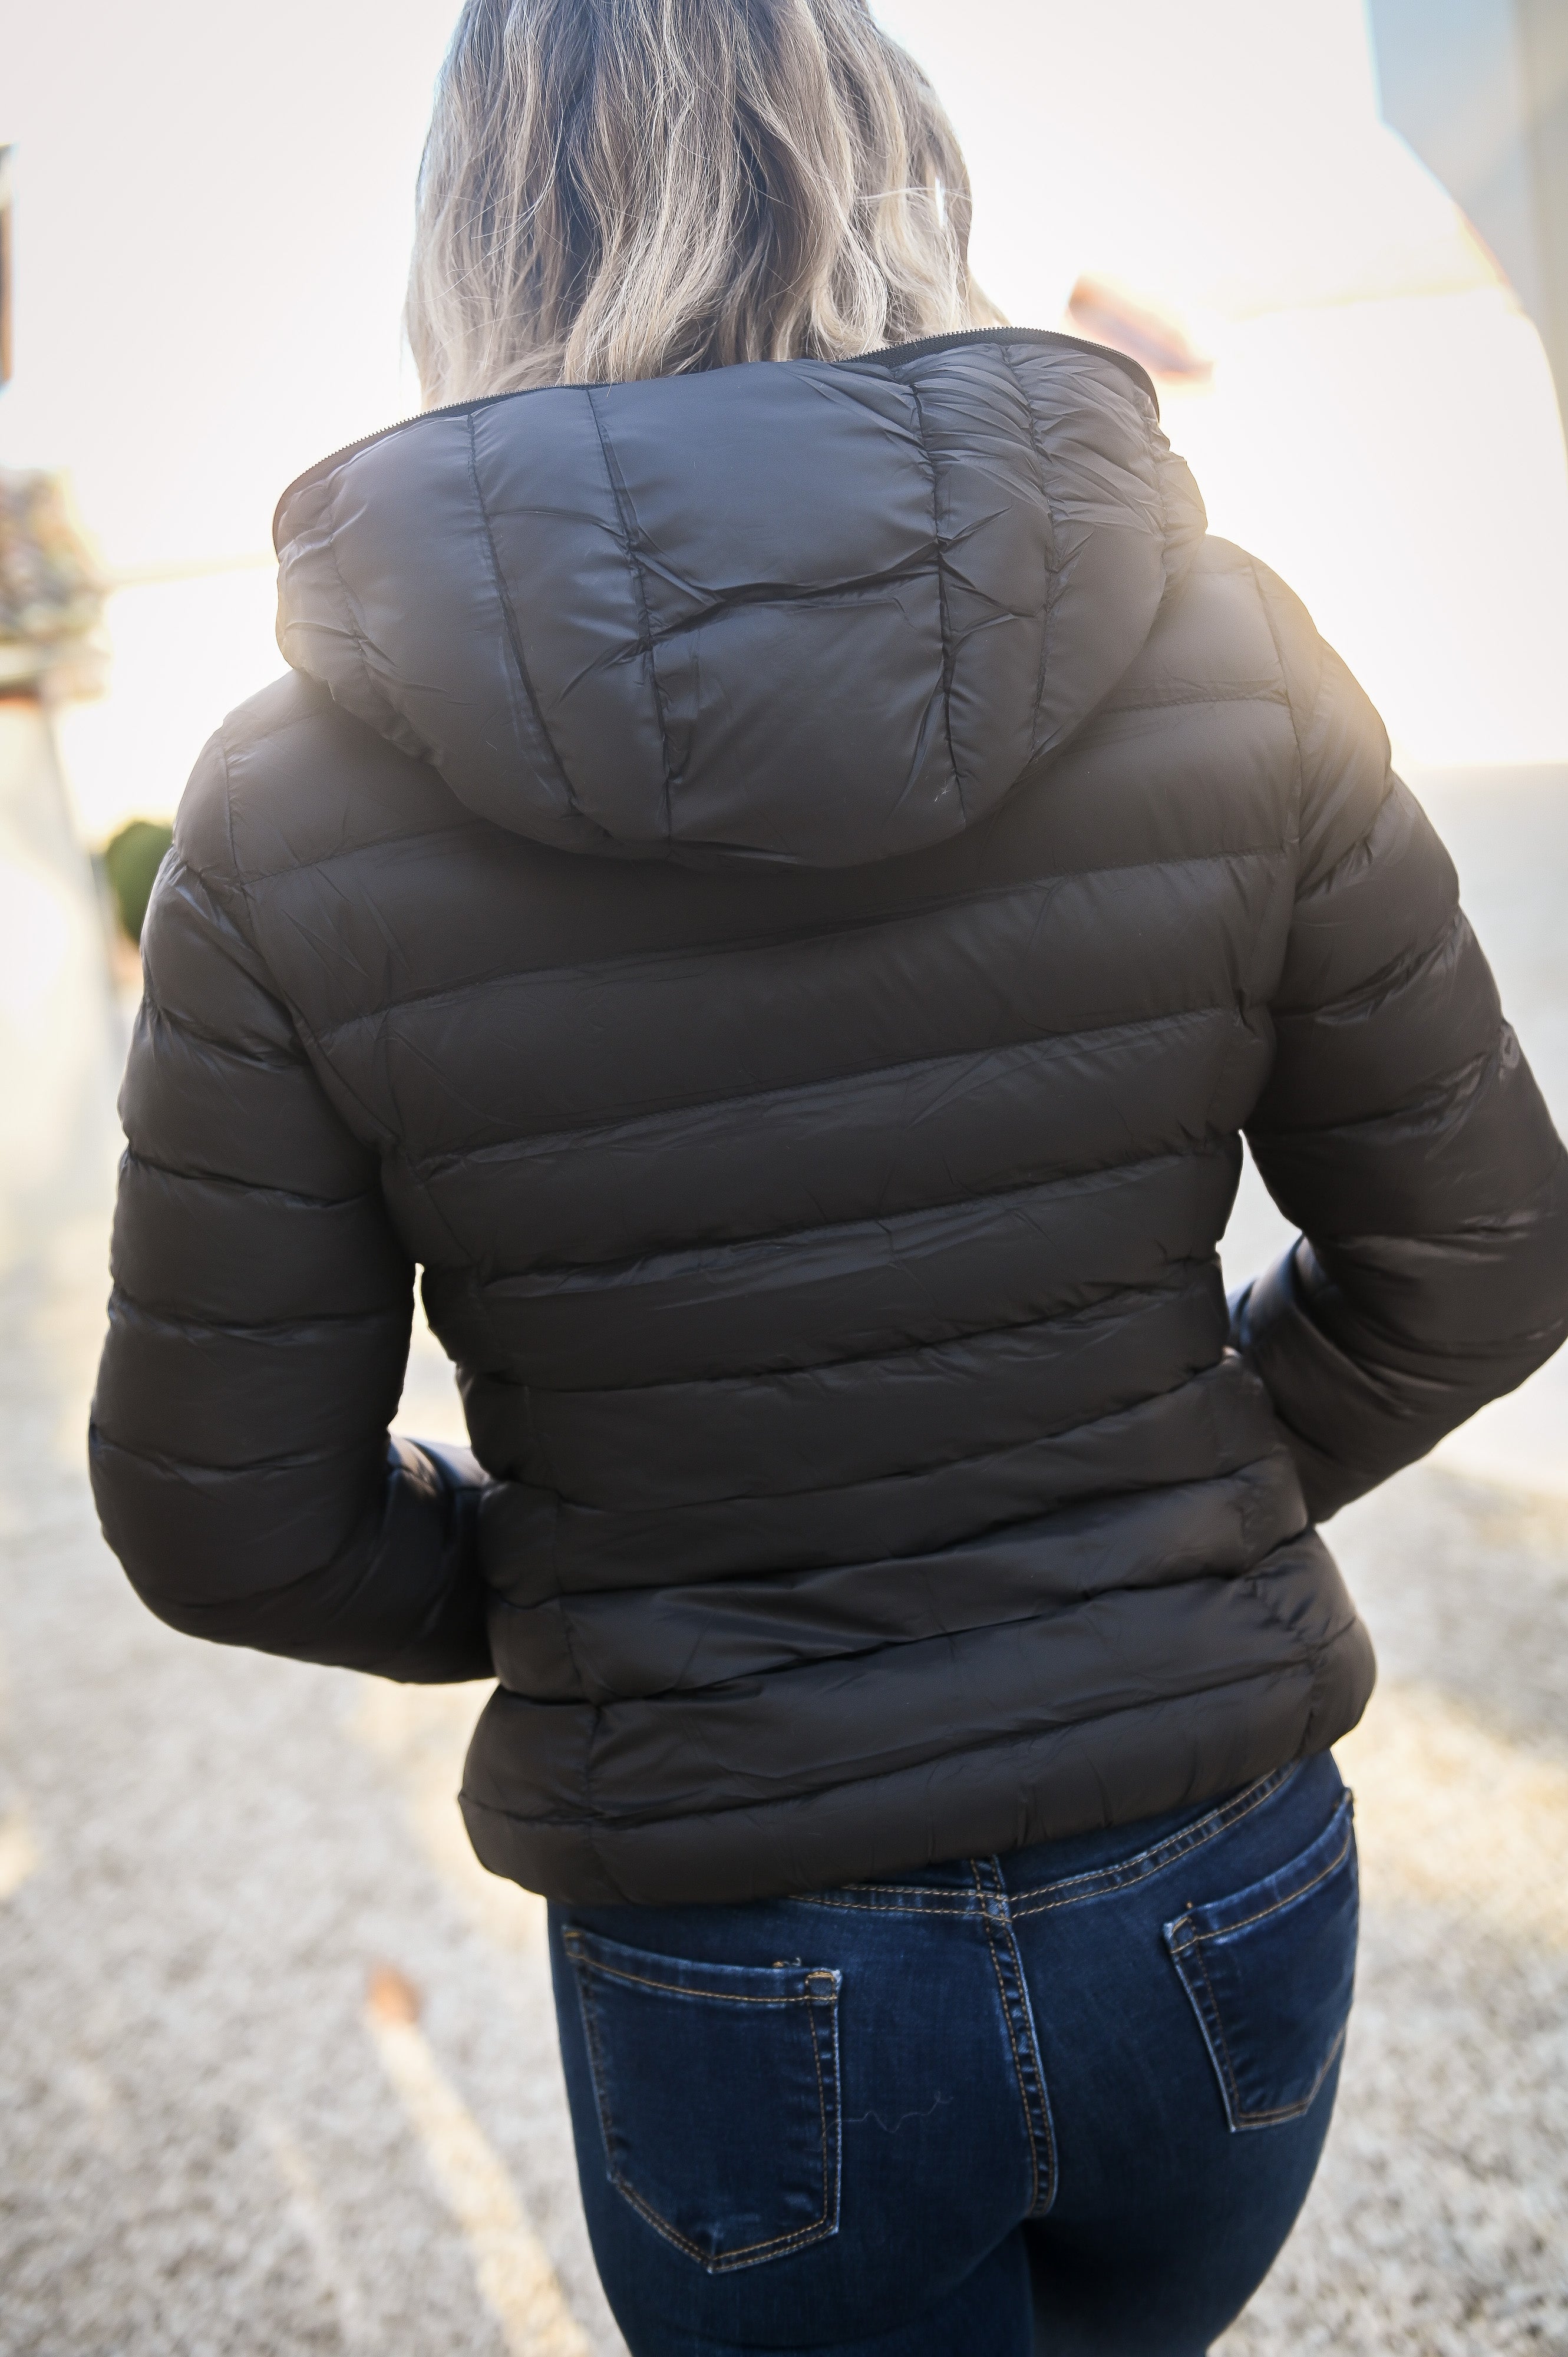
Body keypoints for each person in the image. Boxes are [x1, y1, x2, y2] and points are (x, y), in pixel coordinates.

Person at [90, 2, 1568, 2350]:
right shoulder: (1232, 646)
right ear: (891, 160)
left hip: (740, 1952)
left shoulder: (280, 807)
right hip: (1221, 1880)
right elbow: (1482, 1255)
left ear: (472, 230)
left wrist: (609, 1593)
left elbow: (223, 1515)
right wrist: (1162, 1500)